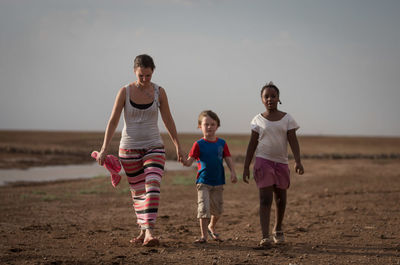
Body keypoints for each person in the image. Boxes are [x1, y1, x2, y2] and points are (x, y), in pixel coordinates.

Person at [96, 54, 184, 247]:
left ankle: (150, 232)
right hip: (128, 149)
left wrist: (177, 145)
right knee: (137, 192)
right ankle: (143, 232)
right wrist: (104, 149)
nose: (144, 79)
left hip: (154, 146)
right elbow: (113, 121)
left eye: (148, 75)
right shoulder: (124, 92)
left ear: (153, 72)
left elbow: (168, 119)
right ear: (134, 72)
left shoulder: (159, 92)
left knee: (152, 186)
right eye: (140, 76)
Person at [242, 81, 304, 247]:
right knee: (265, 199)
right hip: (263, 162)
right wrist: (246, 166)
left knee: (281, 198)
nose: (270, 99)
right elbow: (251, 144)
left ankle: (277, 228)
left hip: (282, 163)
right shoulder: (257, 120)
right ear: (262, 99)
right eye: (266, 96)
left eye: (273, 96)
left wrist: (297, 161)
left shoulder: (287, 119)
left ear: (278, 98)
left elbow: (293, 140)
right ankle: (265, 236)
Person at [182, 110, 237, 243]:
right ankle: (204, 236)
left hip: (218, 182)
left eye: (212, 124)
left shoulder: (222, 143)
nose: (209, 127)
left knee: (217, 211)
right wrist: (184, 161)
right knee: (204, 208)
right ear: (200, 126)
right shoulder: (198, 144)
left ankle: (211, 226)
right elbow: (190, 161)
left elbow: (228, 158)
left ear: (217, 126)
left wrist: (233, 172)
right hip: (203, 182)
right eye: (206, 124)